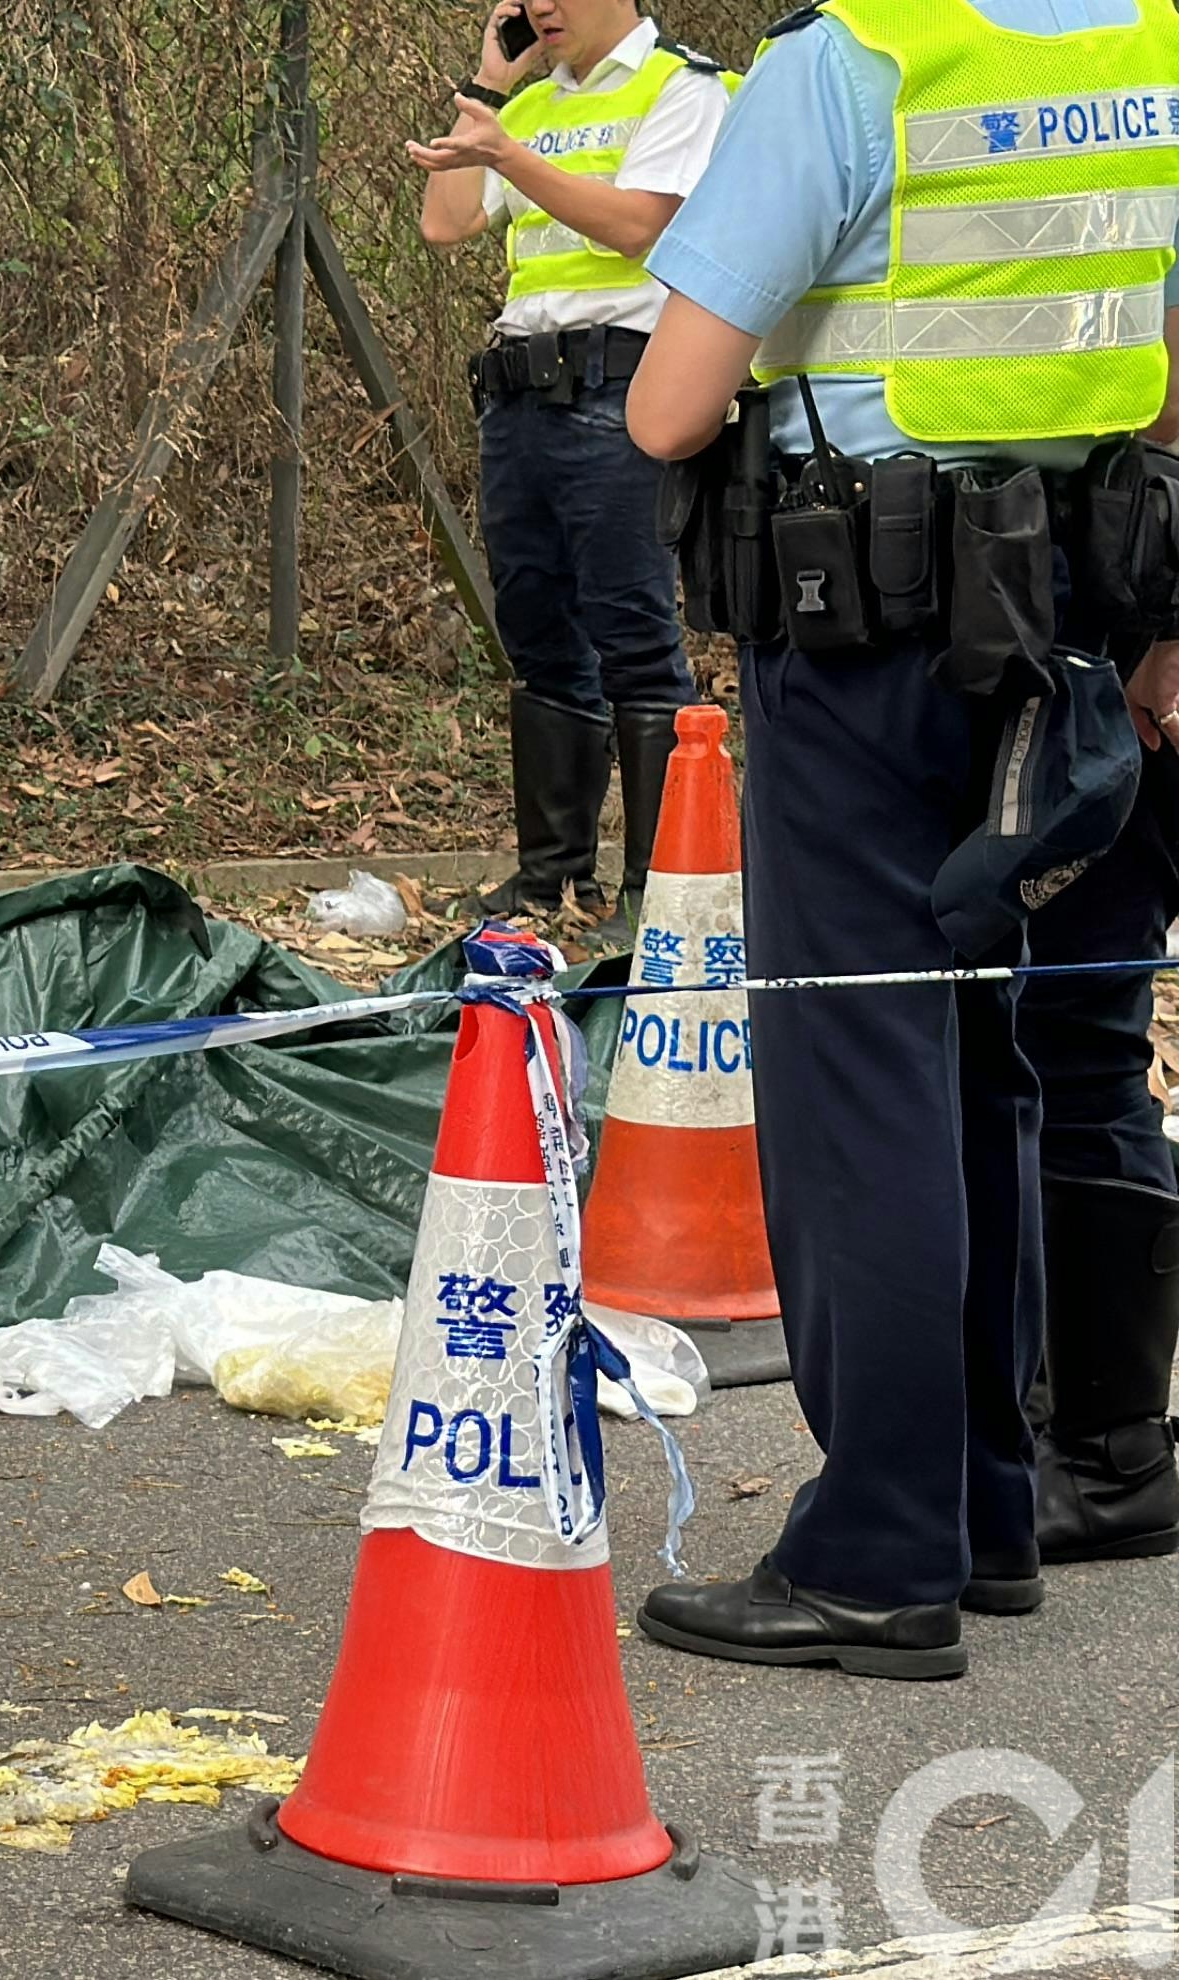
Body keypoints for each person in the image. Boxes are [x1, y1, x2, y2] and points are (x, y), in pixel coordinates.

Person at [622, 0, 1179, 1679]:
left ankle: (874, 1553)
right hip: (1061, 618)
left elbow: (664, 410)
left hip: (865, 640)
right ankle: (984, 1516)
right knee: (975, 1050)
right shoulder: (1141, 51)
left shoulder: (851, 67)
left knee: (856, 1075)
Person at [410, 0, 732, 927]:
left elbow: (641, 226)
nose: (537, 6)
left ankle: (658, 891)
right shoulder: (533, 106)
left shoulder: (684, 89)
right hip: (520, 394)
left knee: (632, 635)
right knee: (540, 632)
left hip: (624, 388)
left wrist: (509, 155)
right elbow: (446, 224)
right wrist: (489, 88)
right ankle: (552, 875)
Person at [1018, 745, 1179, 1566]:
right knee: (1037, 1040)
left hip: (1122, 695)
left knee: (1074, 1038)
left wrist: (1166, 632)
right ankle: (1056, 1427)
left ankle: (1111, 1465)